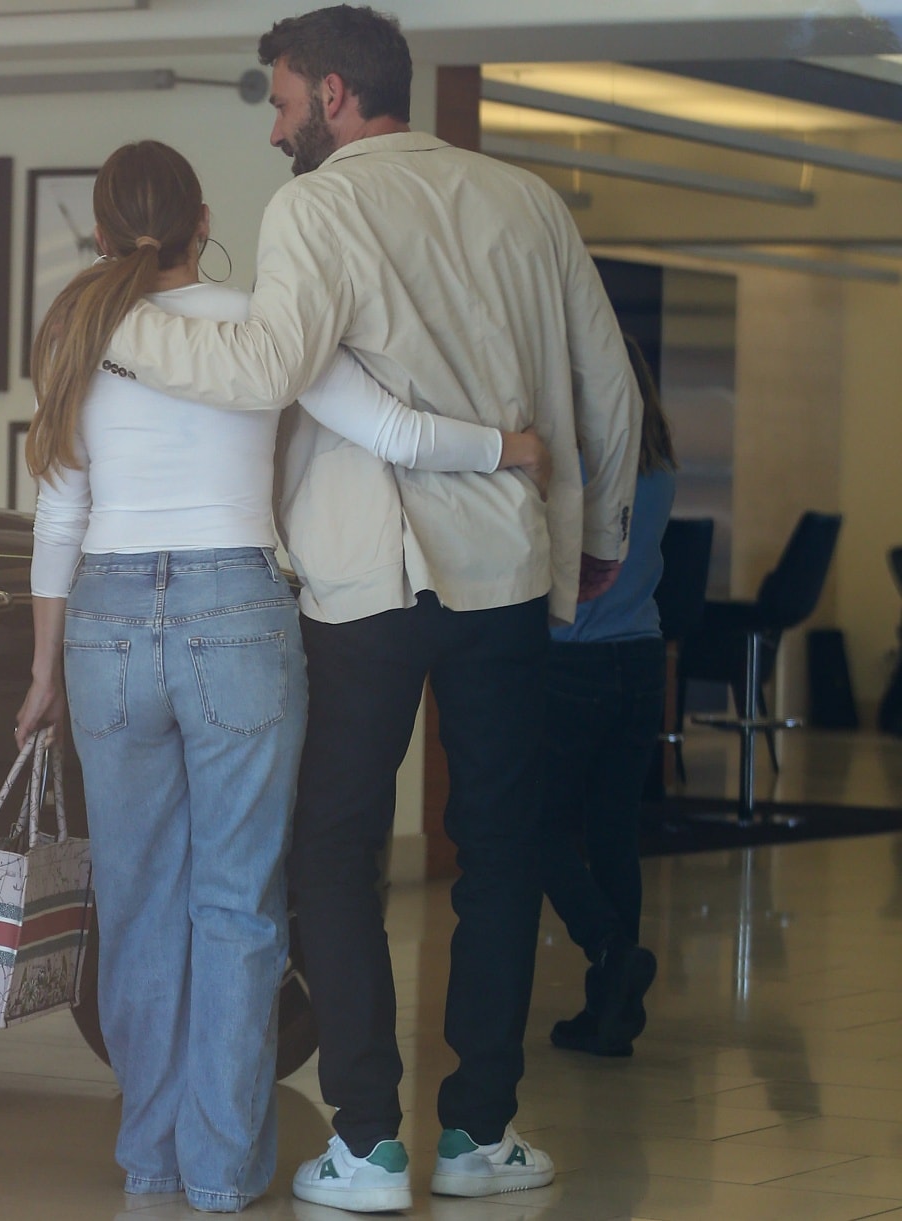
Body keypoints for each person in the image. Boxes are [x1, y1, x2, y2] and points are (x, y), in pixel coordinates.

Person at [105, 8, 642, 1210]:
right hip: (504, 573)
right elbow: (607, 381)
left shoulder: (319, 205)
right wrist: (595, 539)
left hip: (366, 582)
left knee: (334, 853)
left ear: (338, 96)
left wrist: (110, 329)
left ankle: (368, 1144)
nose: (282, 128)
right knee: (499, 851)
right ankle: (478, 1138)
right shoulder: (528, 201)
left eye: (287, 104)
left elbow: (266, 369)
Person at [12, 139, 552, 1213]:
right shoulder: (265, 327)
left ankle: (151, 1158)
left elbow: (60, 511)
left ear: (102, 228)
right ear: (205, 216)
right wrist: (512, 449)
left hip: (107, 623)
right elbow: (393, 432)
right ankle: (220, 1170)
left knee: (136, 901)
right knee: (239, 906)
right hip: (237, 619)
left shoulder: (78, 328)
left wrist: (43, 673)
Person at [539, 335, 676, 1058]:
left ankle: (608, 947)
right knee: (614, 830)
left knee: (533, 825)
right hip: (642, 660)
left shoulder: (579, 464)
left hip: (576, 662)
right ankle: (611, 1010)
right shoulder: (659, 464)